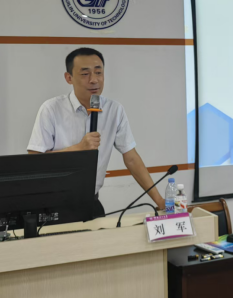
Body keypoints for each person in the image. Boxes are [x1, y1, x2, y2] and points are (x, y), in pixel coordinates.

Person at [27, 47, 165, 217]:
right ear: (69, 78)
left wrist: (160, 201)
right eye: (85, 74)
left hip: (90, 201)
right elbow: (35, 161)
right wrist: (79, 148)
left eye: (98, 73)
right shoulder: (51, 109)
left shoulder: (114, 110)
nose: (94, 80)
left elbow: (131, 159)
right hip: (51, 204)